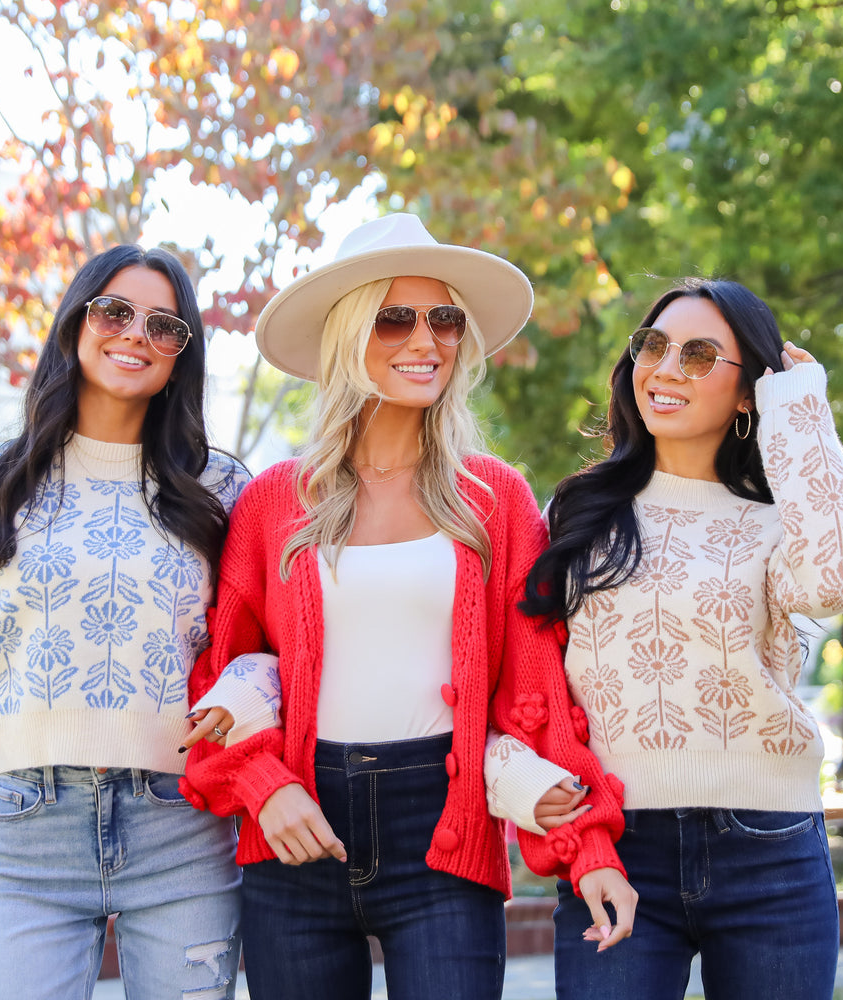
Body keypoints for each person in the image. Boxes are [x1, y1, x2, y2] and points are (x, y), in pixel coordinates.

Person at [179, 213, 636, 1000]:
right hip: (296, 830)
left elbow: (537, 692)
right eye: (396, 317)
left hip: (444, 830)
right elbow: (219, 678)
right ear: (350, 336)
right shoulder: (272, 504)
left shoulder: (495, 500)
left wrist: (588, 843)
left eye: (444, 319)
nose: (425, 339)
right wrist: (265, 787)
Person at [516, 279, 843, 999]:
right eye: (654, 346)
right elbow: (530, 681)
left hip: (770, 849)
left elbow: (837, 580)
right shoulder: (576, 515)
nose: (666, 368)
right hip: (615, 846)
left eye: (700, 354)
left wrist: (800, 405)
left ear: (749, 395)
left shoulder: (780, 522)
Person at [0, 245, 248, 999]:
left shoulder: (220, 487)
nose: (135, 335)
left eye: (165, 326)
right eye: (115, 312)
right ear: (76, 321)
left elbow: (260, 648)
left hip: (181, 826)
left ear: (181, 355)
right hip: (24, 831)